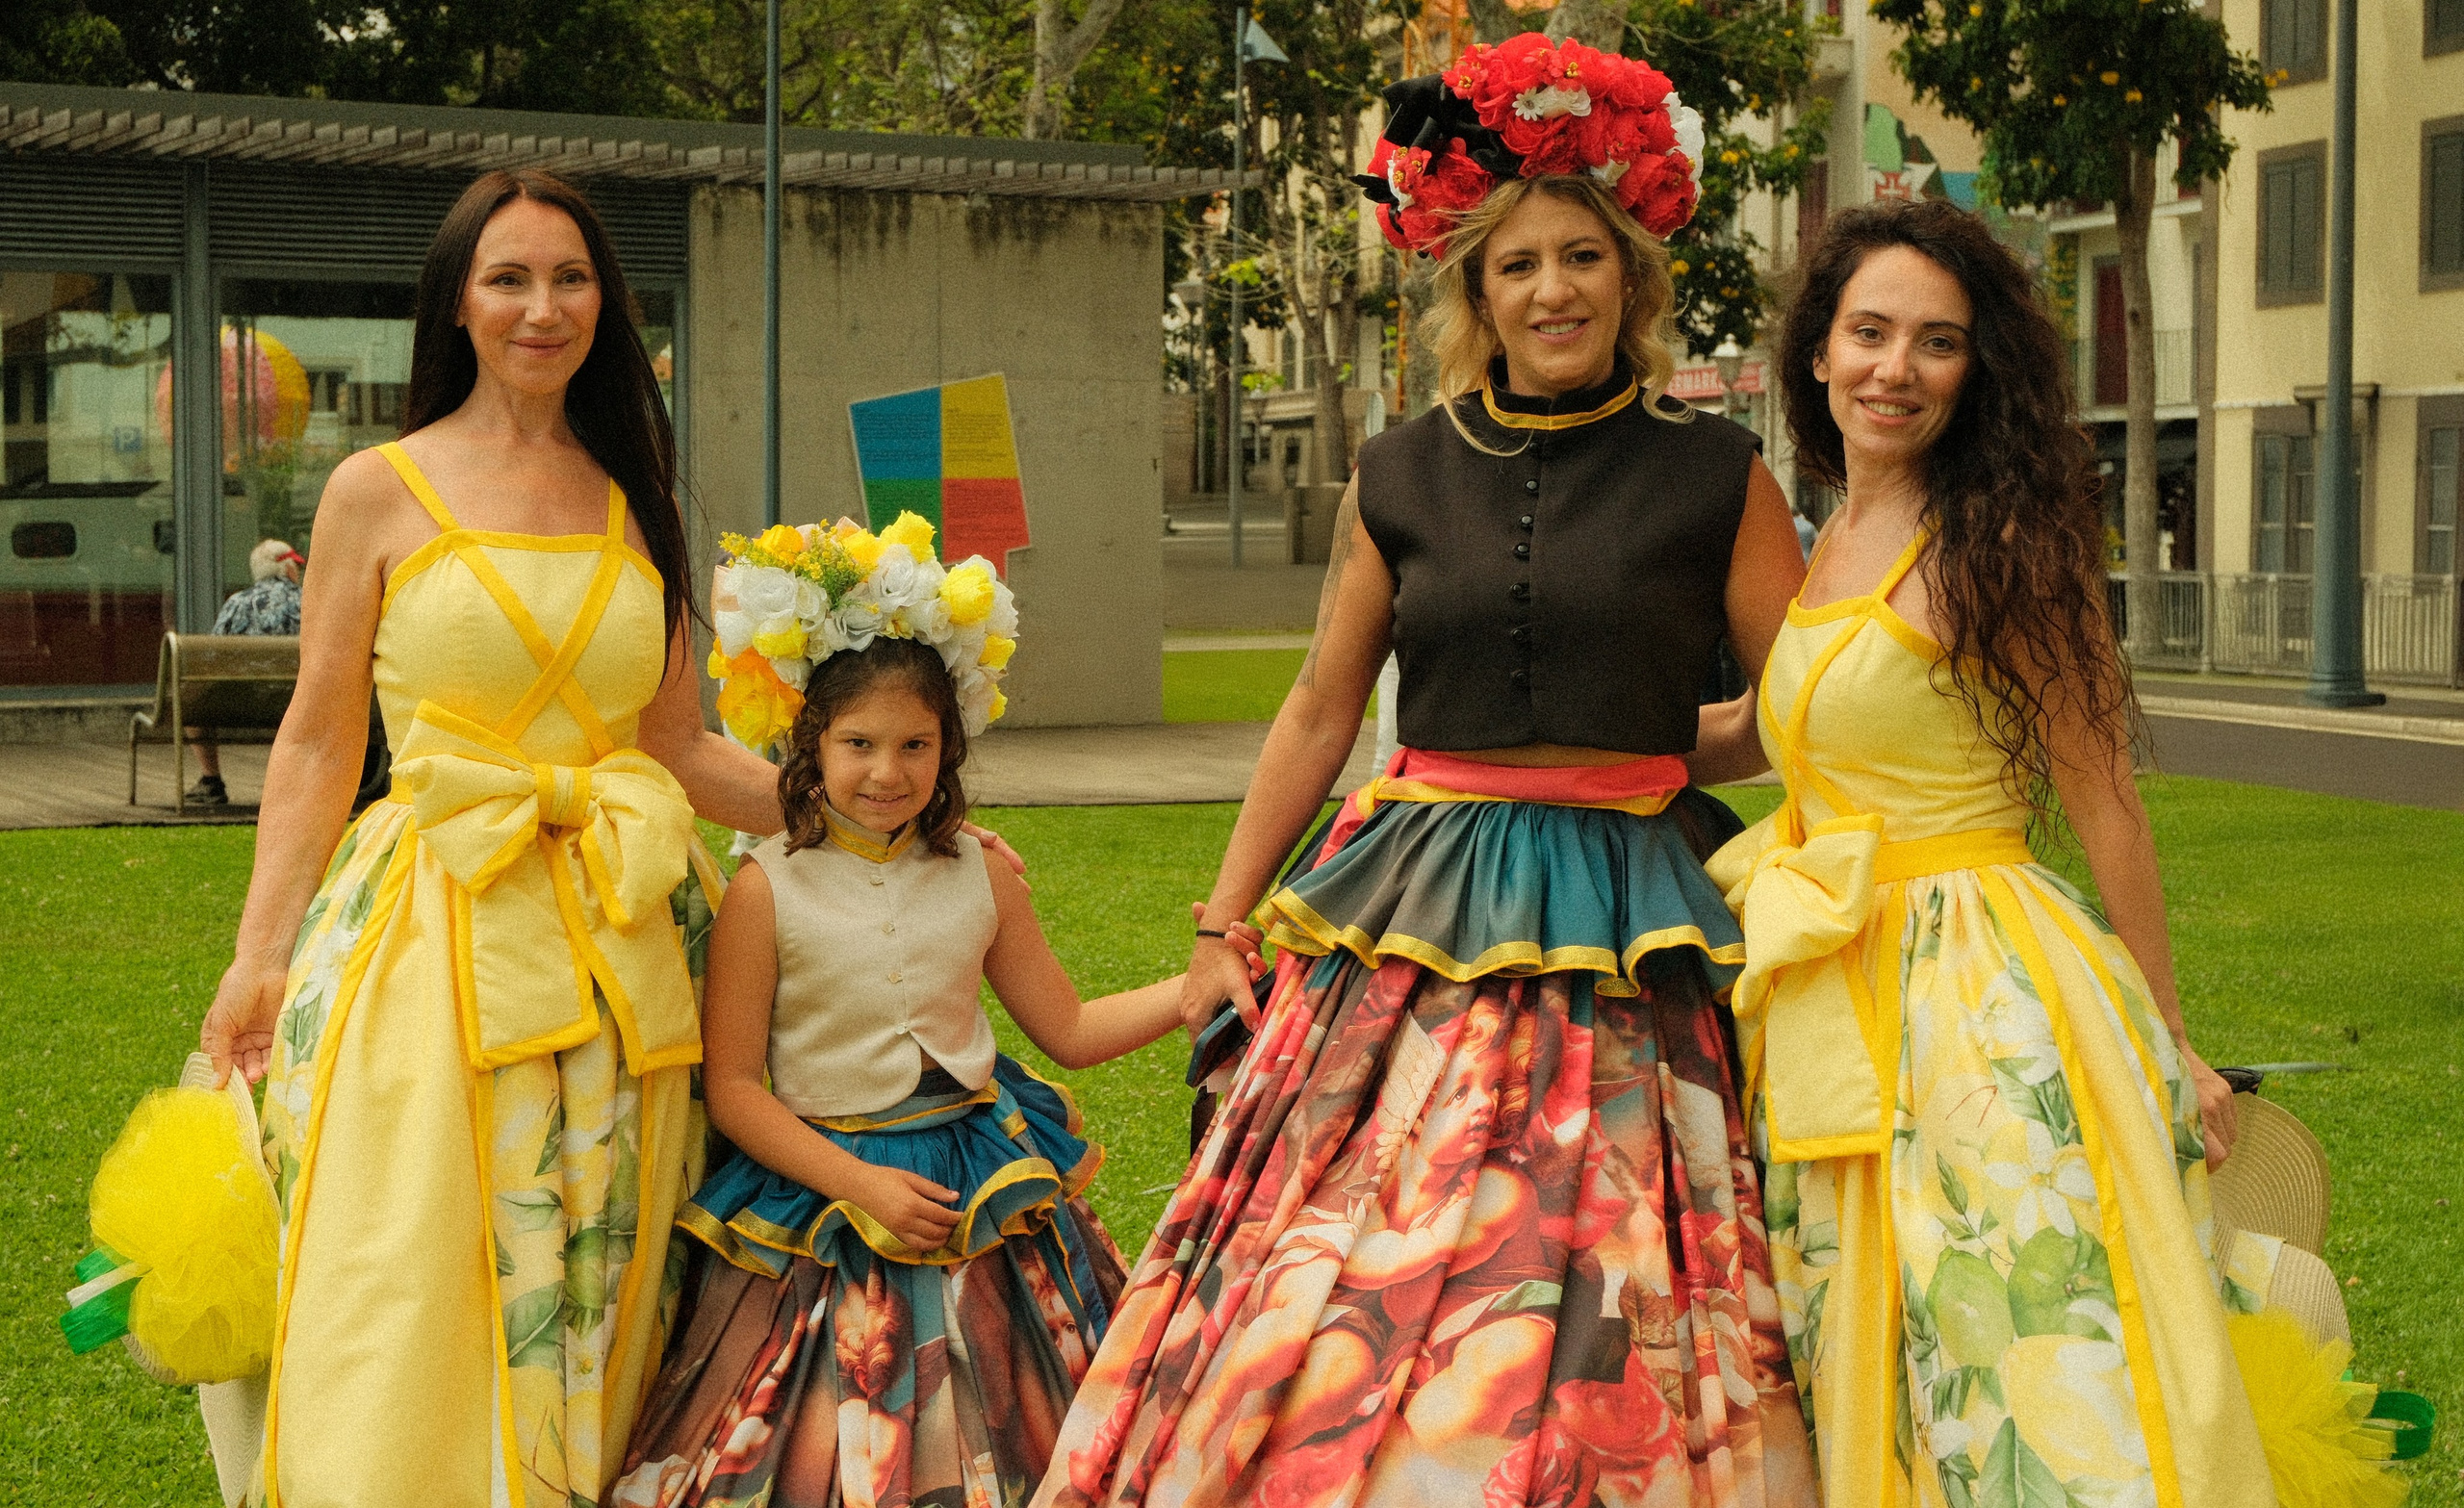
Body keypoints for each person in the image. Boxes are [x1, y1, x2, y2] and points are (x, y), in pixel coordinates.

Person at [1035, 34, 1816, 1508]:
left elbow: (1807, 709)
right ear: (1474, 292)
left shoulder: (1719, 474)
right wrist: (1220, 922)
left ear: (1634, 279)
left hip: (1642, 901)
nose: (1553, 291)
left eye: (1583, 257)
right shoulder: (1400, 468)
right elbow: (1321, 710)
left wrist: (1665, 755)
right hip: (1415, 889)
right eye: (1516, 265)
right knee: (1366, 1235)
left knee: (1615, 1241)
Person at [197, 169, 809, 1508]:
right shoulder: (376, 488)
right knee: (411, 1256)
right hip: (425, 931)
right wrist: (258, 952)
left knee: (607, 1255)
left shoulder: (636, 494)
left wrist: (863, 806)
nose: (545, 307)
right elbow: (314, 740)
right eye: (510, 278)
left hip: (625, 939)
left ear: (609, 302)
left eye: (571, 277)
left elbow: (680, 742)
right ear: (457, 305)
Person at [1709, 198, 2281, 1506]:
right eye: (1868, 332)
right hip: (1827, 986)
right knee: (1859, 1320)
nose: (1893, 368)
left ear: (1979, 371)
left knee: (2011, 1333)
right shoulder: (1821, 542)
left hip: (1980, 995)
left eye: (1936, 342)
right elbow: (1772, 732)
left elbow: (2105, 795)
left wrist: (2168, 1028)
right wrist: (1547, 755)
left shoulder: (2003, 543)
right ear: (1817, 350)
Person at [613, 612, 1196, 1508]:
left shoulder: (983, 872)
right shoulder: (764, 890)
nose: (887, 772)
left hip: (977, 1191)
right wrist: (860, 1183)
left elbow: (1073, 1027)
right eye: (858, 742)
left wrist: (1198, 985)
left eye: (915, 744)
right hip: (824, 1200)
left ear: (949, 745)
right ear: (807, 743)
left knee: (1020, 1441)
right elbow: (732, 1089)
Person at [184, 537, 303, 806]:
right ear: (286, 569)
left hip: (240, 705)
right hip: (299, 702)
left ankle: (211, 780)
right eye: (296, 567)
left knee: (191, 700)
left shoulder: (237, 603)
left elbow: (212, 658)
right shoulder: (311, 601)